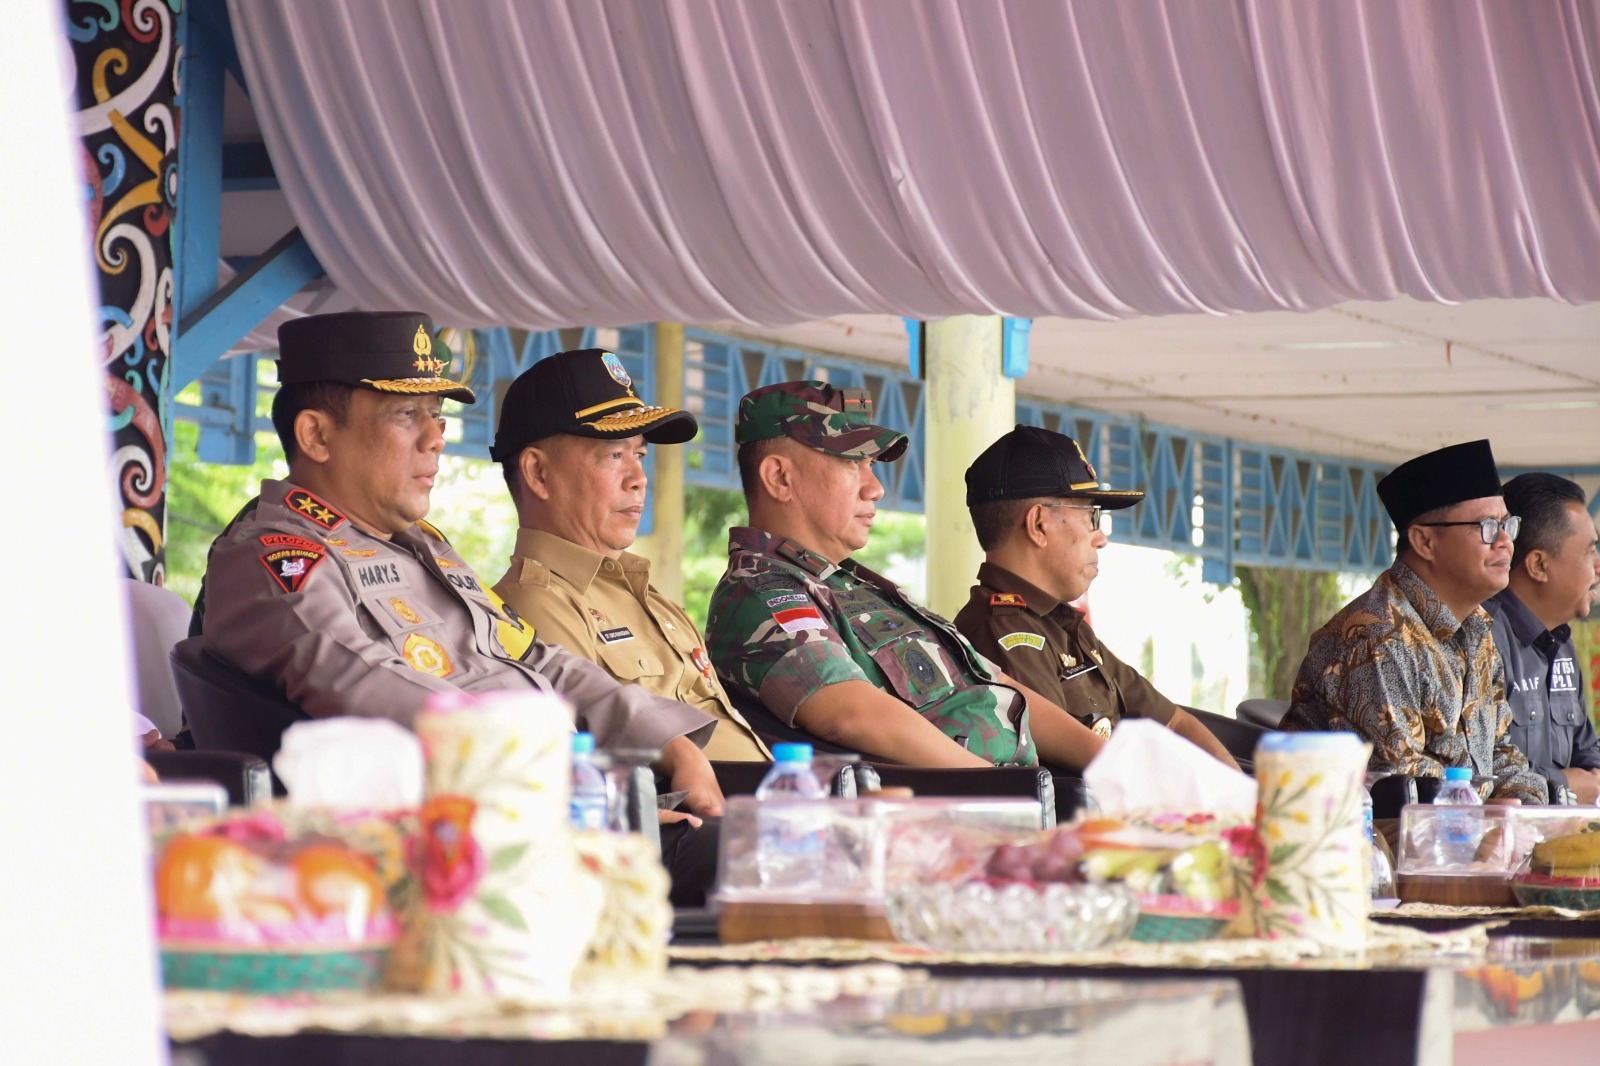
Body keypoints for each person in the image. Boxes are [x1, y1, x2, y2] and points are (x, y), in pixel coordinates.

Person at [198, 311, 725, 902]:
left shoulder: (427, 549)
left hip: (549, 814)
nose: (436, 437)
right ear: (317, 436)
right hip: (457, 848)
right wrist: (580, 799)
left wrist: (671, 744)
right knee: (756, 859)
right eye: (405, 415)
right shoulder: (274, 555)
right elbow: (360, 685)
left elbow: (539, 660)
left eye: (437, 415)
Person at [704, 381, 1106, 772]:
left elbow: (998, 684)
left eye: (872, 465)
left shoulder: (855, 586)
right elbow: (849, 713)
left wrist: (1114, 766)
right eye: (852, 463)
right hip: (954, 814)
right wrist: (1008, 794)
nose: (875, 488)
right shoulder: (763, 590)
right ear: (779, 478)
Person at [488, 348, 769, 762]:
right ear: (538, 473)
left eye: (638, 455)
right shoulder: (532, 605)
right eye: (613, 455)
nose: (639, 479)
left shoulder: (649, 596)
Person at [954, 425, 1240, 769]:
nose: (1101, 538)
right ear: (1039, 525)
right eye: (1091, 517)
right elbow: (1085, 768)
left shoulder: (1059, 623)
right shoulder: (1003, 632)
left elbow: (1173, 722)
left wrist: (1238, 791)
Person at [1282, 439, 1547, 802]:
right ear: (1424, 541)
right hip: (1372, 846)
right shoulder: (1376, 637)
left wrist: (1521, 810)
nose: (1505, 541)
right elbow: (1405, 789)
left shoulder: (1477, 630)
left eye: (1507, 525)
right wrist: (1495, 819)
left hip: (1461, 838)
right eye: (1486, 526)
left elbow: (1501, 756)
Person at [1484, 473, 1600, 804]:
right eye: (1589, 552)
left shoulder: (1560, 641)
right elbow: (1479, 768)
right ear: (1538, 565)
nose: (1598, 566)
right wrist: (1563, 784)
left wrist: (1590, 778)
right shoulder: (1482, 638)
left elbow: (1586, 747)